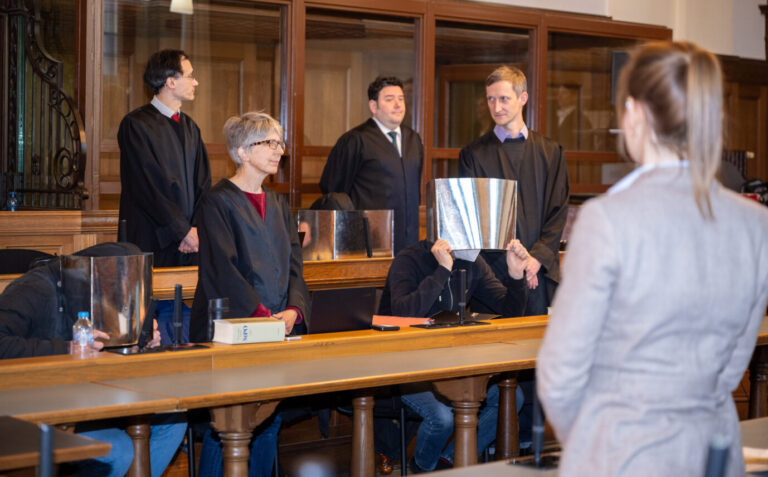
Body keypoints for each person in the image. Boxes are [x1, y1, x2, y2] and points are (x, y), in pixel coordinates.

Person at [536, 41, 768, 476]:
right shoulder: (757, 224)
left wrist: (592, 444)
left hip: (622, 452)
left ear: (634, 113)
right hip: (713, 452)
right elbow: (734, 363)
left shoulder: (606, 219)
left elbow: (560, 372)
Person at [0, 242, 187, 477]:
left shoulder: (96, 291)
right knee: (119, 449)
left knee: (174, 422)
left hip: (90, 399)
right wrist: (67, 348)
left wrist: (144, 344)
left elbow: (105, 351)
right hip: (37, 405)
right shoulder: (34, 288)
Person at [190, 111, 310, 476]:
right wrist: (261, 316)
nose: (278, 151)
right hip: (234, 330)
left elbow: (295, 265)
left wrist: (293, 310)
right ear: (242, 151)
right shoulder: (216, 201)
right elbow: (220, 271)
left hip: (278, 328)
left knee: (269, 419)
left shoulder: (277, 204)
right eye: (268, 143)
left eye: (279, 143)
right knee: (228, 424)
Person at [379, 238, 529, 472]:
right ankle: (422, 468)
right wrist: (442, 270)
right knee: (443, 418)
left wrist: (516, 276)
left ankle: (448, 461)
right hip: (402, 365)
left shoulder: (472, 262)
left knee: (511, 398)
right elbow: (404, 313)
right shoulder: (409, 259)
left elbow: (510, 313)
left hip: (448, 364)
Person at [459, 66, 569, 316]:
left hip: (537, 272)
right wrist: (511, 269)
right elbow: (473, 219)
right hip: (492, 278)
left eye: (504, 98)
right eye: (491, 99)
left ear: (523, 98)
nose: (496, 107)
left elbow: (557, 211)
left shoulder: (550, 152)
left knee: (536, 350)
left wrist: (535, 259)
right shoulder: (473, 155)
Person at [118, 49, 211, 343]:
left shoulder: (191, 128)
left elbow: (203, 185)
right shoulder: (136, 124)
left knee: (185, 318)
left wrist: (195, 229)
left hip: (188, 242)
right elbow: (148, 187)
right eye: (190, 75)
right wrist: (181, 230)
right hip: (151, 236)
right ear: (170, 81)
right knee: (152, 317)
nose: (195, 82)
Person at [319, 76, 423, 254]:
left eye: (401, 99)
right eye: (389, 100)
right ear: (373, 106)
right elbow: (334, 190)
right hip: (368, 241)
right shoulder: (355, 140)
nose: (398, 105)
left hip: (409, 240)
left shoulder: (413, 139)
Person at [549, 85, 593, 151]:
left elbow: (586, 146)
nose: (559, 96)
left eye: (564, 93)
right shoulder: (552, 116)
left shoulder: (581, 120)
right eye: (558, 93)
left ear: (573, 97)